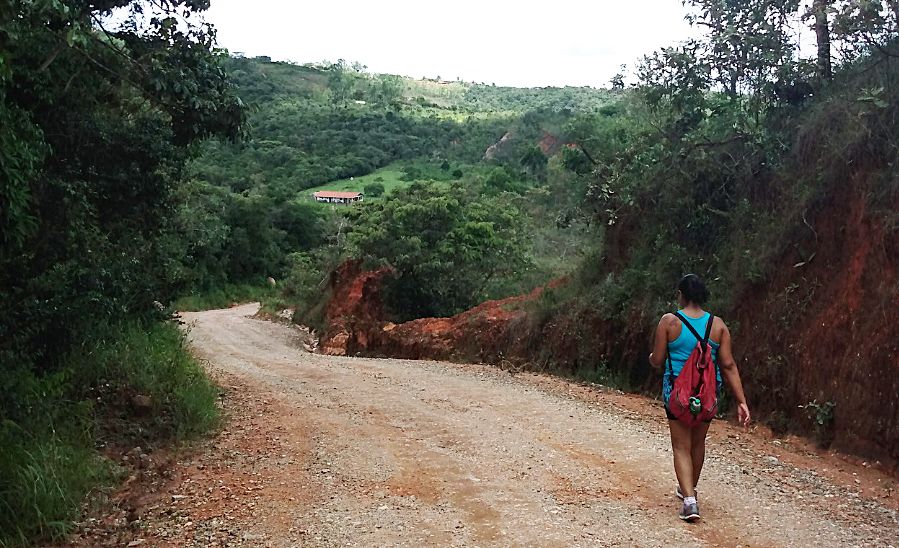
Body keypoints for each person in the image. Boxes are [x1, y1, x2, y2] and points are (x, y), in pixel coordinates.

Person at [649, 274, 751, 522]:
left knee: (681, 446)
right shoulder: (718, 325)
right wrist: (742, 401)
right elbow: (728, 365)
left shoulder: (669, 322)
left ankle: (689, 501)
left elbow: (658, 360)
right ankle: (689, 490)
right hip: (707, 394)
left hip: (677, 394)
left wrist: (652, 358)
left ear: (680, 295)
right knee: (697, 443)